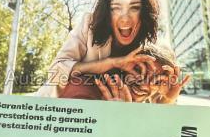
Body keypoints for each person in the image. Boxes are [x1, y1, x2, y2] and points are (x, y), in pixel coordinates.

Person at [36, 0, 160, 97]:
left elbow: (148, 94)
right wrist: (112, 63)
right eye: (116, 8)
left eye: (135, 8)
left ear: (144, 12)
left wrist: (167, 97)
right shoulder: (89, 25)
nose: (125, 19)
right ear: (107, 12)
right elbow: (55, 72)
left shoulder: (145, 51)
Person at [59, 44, 191, 104]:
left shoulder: (146, 106)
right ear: (124, 66)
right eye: (138, 71)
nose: (144, 85)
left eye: (156, 81)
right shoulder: (85, 89)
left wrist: (167, 100)